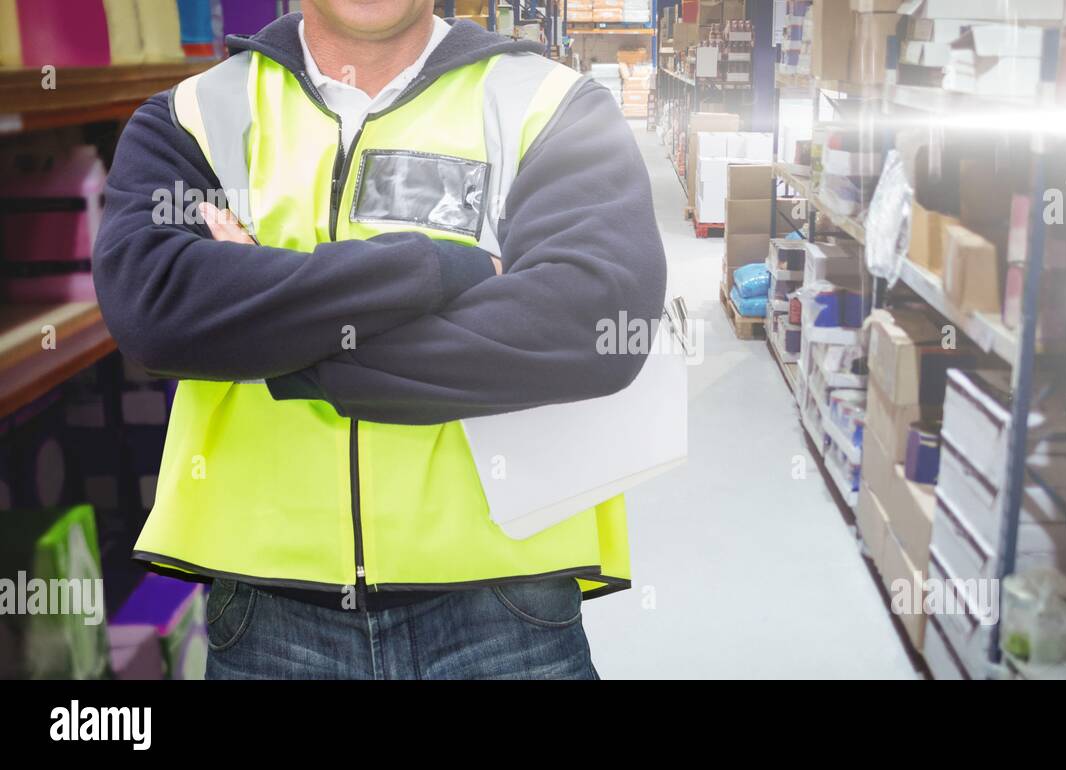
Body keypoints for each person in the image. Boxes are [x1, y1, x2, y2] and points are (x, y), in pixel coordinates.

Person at [92, 0, 666, 680]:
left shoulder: (546, 104)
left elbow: (592, 324)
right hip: (269, 615)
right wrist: (441, 268)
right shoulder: (196, 116)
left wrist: (277, 341)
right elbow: (154, 308)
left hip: (507, 607)